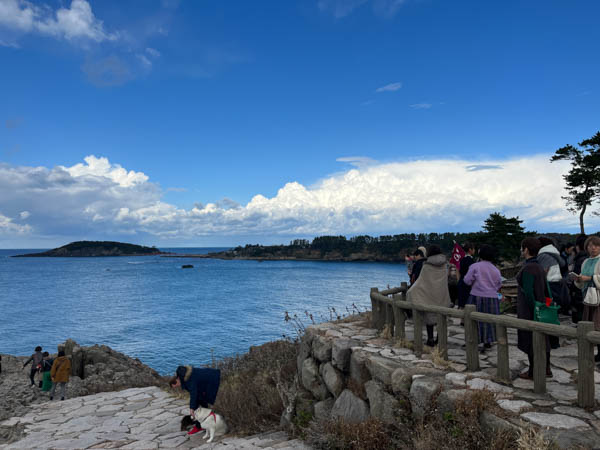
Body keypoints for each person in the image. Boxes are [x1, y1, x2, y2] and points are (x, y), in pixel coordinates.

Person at [517, 237, 553, 379]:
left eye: (522, 248)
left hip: (530, 311)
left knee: (530, 341)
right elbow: (547, 290)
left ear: (526, 249)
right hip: (542, 307)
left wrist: (534, 309)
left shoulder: (528, 267)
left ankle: (533, 371)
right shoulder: (538, 266)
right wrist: (546, 305)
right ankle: (546, 368)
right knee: (544, 340)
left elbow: (528, 293)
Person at [406, 245, 452, 347]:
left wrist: (410, 292)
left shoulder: (426, 265)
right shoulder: (446, 265)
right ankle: (440, 339)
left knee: (429, 317)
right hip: (442, 294)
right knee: (442, 318)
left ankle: (430, 339)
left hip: (429, 295)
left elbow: (420, 282)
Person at [463, 244, 502, 353]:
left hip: (476, 296)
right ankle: (488, 341)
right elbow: (499, 284)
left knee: (474, 320)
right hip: (492, 298)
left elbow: (467, 280)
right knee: (489, 320)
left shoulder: (475, 266)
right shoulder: (496, 270)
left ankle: (474, 340)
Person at [169, 365, 221, 435]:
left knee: (199, 404)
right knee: (202, 401)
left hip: (212, 380)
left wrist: (191, 408)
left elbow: (194, 394)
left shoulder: (189, 380)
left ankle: (199, 426)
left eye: (176, 386)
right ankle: (204, 423)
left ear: (177, 381)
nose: (178, 387)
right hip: (209, 378)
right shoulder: (183, 376)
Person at [574, 235, 600, 362]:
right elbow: (582, 280)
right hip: (588, 297)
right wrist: (578, 279)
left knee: (598, 325)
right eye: (590, 245)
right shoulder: (585, 261)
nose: (593, 248)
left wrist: (590, 278)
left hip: (599, 299)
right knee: (590, 325)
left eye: (596, 245)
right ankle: (593, 353)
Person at [537, 237, 570, 314]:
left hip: (549, 282)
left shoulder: (543, 255)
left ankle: (550, 314)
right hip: (558, 280)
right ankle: (556, 313)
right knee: (556, 300)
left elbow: (544, 270)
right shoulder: (555, 253)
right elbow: (563, 264)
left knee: (549, 300)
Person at [570, 234, 588, 323]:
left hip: (580, 293)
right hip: (590, 293)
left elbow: (576, 278)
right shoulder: (590, 258)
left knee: (582, 320)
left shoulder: (580, 260)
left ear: (578, 246)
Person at [457, 243, 475, 309]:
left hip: (461, 281)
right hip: (467, 283)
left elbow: (460, 271)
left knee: (461, 303)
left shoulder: (462, 259)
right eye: (473, 249)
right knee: (467, 304)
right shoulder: (470, 260)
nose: (474, 250)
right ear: (470, 250)